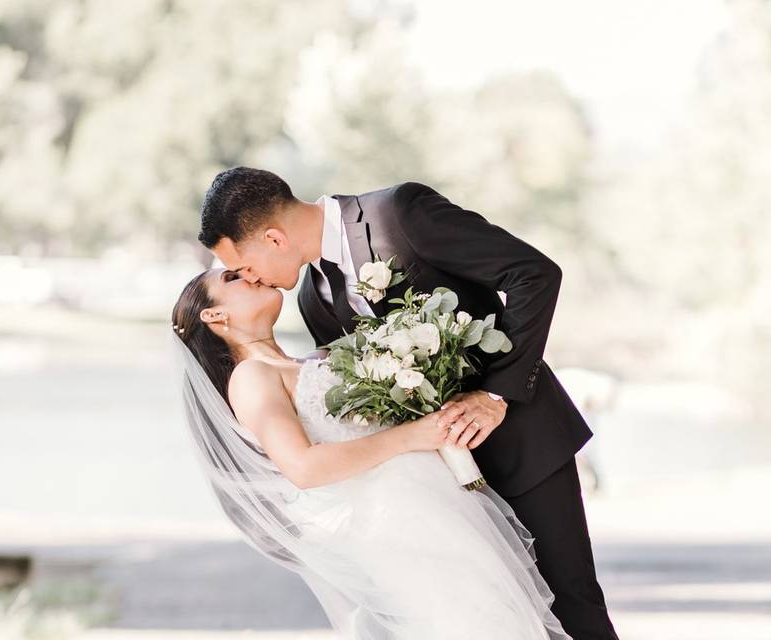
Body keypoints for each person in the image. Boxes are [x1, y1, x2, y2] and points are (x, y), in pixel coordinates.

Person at [198, 167, 619, 639]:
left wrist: (495, 394)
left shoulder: (399, 215)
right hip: (441, 498)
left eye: (244, 264)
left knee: (572, 606)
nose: (249, 277)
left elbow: (533, 274)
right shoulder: (313, 301)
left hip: (522, 441)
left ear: (273, 238)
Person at [170, 266, 572, 639]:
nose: (253, 274)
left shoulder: (313, 360)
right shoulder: (252, 377)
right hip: (394, 525)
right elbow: (304, 468)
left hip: (436, 507)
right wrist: (416, 435)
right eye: (234, 277)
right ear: (214, 316)